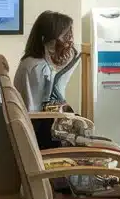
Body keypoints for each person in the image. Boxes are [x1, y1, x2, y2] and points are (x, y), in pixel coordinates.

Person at [14, 11, 79, 150]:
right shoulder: (38, 67)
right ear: (47, 39)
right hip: (37, 132)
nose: (69, 42)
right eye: (65, 36)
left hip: (35, 127)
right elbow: (34, 110)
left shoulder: (32, 62)